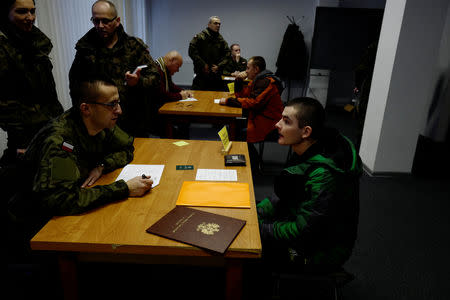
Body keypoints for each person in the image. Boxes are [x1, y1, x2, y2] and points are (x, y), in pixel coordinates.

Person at [8, 78, 153, 259]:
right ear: (86, 108)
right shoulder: (61, 142)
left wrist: (102, 166)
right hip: (38, 226)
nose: (119, 110)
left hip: (72, 197)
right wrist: (123, 188)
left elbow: (127, 147)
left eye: (118, 102)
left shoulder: (102, 122)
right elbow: (63, 200)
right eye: (112, 104)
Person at [256, 97, 362, 270]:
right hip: (306, 227)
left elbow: (303, 231)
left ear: (306, 131)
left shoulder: (324, 174)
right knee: (251, 216)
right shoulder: (307, 149)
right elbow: (291, 199)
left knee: (247, 249)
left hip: (320, 251)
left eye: (286, 121)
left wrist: (260, 228)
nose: (277, 125)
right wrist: (257, 211)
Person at [69, 0, 160, 137]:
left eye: (105, 21)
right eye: (96, 21)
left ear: (117, 21)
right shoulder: (85, 49)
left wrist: (138, 82)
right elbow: (75, 86)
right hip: (99, 123)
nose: (100, 26)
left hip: (132, 120)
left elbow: (155, 77)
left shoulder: (133, 46)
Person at [0, 0, 64, 166]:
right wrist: (21, 139)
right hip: (24, 136)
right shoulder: (3, 46)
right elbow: (5, 100)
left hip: (52, 125)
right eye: (22, 12)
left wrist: (60, 122)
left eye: (32, 11)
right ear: (7, 13)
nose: (30, 17)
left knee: (63, 173)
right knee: (28, 184)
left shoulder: (36, 40)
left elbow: (48, 90)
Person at [219, 56, 284, 167]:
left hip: (270, 124)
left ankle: (252, 164)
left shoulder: (267, 82)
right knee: (234, 126)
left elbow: (253, 102)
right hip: (259, 117)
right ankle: (246, 160)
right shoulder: (258, 80)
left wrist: (229, 101)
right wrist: (239, 80)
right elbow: (242, 96)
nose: (246, 71)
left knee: (238, 133)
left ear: (256, 69)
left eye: (248, 68)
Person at [189, 16, 230, 91]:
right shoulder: (200, 37)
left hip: (216, 76)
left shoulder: (220, 39)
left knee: (216, 98)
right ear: (209, 24)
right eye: (215, 23)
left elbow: (227, 54)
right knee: (199, 98)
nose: (218, 25)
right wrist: (203, 64)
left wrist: (219, 66)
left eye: (219, 24)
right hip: (202, 75)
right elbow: (192, 52)